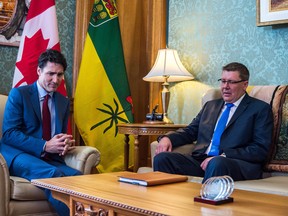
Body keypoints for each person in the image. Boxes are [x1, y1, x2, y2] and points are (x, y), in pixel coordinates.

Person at [153, 62, 273, 183]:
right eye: (223, 81)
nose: (225, 86)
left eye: (231, 82)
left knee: (217, 163)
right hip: (202, 161)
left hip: (233, 163)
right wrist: (167, 138)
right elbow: (190, 132)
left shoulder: (259, 109)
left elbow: (259, 149)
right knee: (162, 158)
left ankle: (203, 199)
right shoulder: (210, 106)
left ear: (244, 84)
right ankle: (165, 201)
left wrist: (224, 155)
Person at [0, 49, 81, 215]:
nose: (55, 80)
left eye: (59, 75)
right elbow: (9, 134)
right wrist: (45, 145)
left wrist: (62, 144)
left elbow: (58, 135)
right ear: (39, 71)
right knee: (52, 174)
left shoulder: (63, 102)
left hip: (48, 158)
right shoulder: (19, 94)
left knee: (78, 177)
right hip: (18, 154)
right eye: (50, 73)